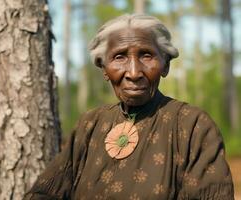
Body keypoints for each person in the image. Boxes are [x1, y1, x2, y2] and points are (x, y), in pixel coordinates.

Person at [24, 14, 234, 200]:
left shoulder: (192, 125)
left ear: (165, 65)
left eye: (146, 55)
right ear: (104, 68)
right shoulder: (89, 125)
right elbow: (44, 193)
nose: (134, 72)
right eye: (119, 57)